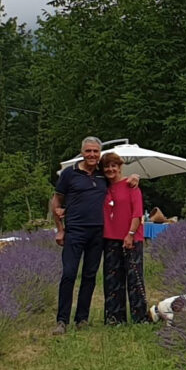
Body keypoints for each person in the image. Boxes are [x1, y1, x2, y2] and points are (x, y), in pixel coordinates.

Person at [52, 138, 109, 328]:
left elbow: (119, 183)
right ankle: (62, 320)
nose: (92, 155)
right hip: (74, 231)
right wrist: (60, 229)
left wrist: (134, 177)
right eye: (88, 151)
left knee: (89, 276)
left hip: (98, 232)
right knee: (68, 274)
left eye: (95, 151)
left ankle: (82, 318)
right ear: (82, 152)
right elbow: (57, 201)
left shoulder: (104, 174)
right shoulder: (69, 173)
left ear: (99, 153)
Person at [100, 153, 147, 323]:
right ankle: (114, 317)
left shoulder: (131, 186)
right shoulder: (102, 186)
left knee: (134, 278)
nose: (110, 169)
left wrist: (131, 234)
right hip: (110, 237)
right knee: (113, 280)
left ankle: (140, 317)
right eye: (107, 166)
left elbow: (137, 212)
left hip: (131, 237)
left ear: (120, 167)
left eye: (114, 166)